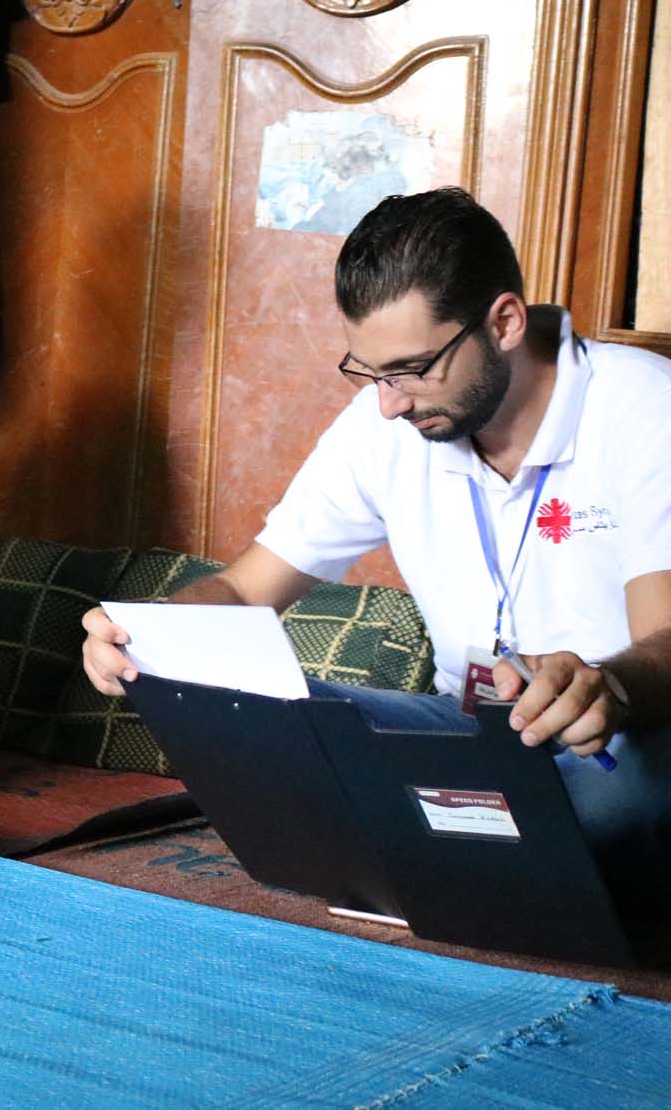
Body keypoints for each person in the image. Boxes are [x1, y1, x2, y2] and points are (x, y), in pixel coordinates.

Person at [81, 187, 671, 898]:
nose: (389, 401)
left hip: (611, 741)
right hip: (468, 737)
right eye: (371, 372)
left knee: (622, 788)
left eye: (412, 369)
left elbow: (665, 639)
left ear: (505, 321)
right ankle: (463, 839)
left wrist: (603, 685)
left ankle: (441, 842)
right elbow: (243, 588)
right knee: (284, 719)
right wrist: (144, 633)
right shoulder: (386, 422)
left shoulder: (642, 406)